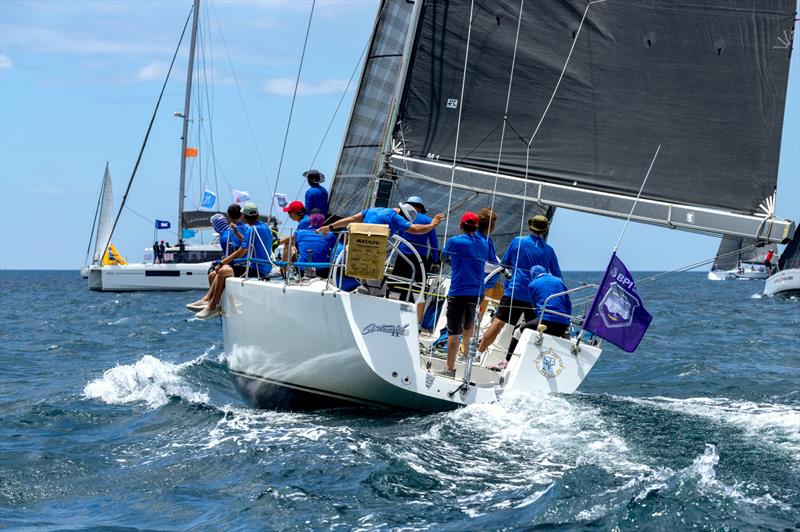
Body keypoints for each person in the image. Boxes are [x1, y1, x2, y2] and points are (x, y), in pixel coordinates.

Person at [476, 214, 562, 358]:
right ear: (545, 230)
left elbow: (504, 264)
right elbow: (558, 277)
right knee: (531, 331)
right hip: (535, 297)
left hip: (514, 292)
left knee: (498, 323)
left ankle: (478, 353)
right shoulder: (549, 251)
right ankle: (521, 361)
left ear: (529, 227)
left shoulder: (517, 242)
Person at [194, 203, 273, 320]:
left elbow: (242, 251)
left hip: (256, 268)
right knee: (217, 272)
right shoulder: (264, 227)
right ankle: (209, 302)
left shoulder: (252, 229)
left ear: (244, 217)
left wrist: (222, 262)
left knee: (222, 271)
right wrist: (236, 233)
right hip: (263, 266)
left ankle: (212, 306)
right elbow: (251, 244)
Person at [437, 212, 492, 378]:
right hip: (477, 293)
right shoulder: (484, 244)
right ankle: (465, 364)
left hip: (458, 292)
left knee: (454, 331)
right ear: (476, 227)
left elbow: (442, 257)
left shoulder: (455, 241)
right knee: (468, 328)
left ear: (461, 225)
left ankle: (449, 369)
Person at [494, 266, 573, 370]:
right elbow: (568, 305)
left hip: (545, 322)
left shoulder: (532, 284)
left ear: (533, 275)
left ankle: (507, 361)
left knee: (518, 330)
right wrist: (566, 322)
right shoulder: (559, 281)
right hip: (563, 324)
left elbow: (535, 306)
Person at [393, 196, 441, 322]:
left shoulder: (401, 217)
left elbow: (400, 235)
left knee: (395, 287)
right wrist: (435, 261)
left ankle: (392, 317)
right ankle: (416, 324)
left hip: (402, 256)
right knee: (418, 291)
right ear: (420, 208)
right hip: (419, 259)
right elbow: (434, 244)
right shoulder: (428, 221)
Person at [317, 203, 443, 237]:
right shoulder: (395, 217)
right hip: (372, 255)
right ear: (405, 216)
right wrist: (432, 225)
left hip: (353, 248)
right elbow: (414, 229)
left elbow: (351, 219)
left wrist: (330, 227)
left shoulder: (373, 209)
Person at [290, 212, 336, 278]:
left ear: (310, 221)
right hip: (323, 271)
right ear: (323, 222)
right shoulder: (330, 234)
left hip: (302, 270)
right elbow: (334, 248)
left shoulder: (299, 233)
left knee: (292, 248)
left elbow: (297, 247)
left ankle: (293, 273)